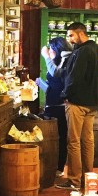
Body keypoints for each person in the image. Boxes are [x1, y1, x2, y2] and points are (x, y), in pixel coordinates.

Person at [58, 22, 98, 191]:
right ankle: (88, 177)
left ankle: (74, 180)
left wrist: (65, 95)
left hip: (77, 102)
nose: (69, 39)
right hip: (92, 103)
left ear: (80, 33)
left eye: (71, 35)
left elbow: (74, 78)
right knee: (87, 141)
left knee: (73, 141)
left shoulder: (81, 52)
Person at [42, 38, 70, 180]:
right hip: (52, 104)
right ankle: (52, 166)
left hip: (59, 106)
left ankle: (59, 168)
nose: (49, 51)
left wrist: (46, 57)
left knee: (61, 138)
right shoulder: (57, 63)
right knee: (52, 138)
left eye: (52, 48)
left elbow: (55, 76)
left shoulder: (64, 63)